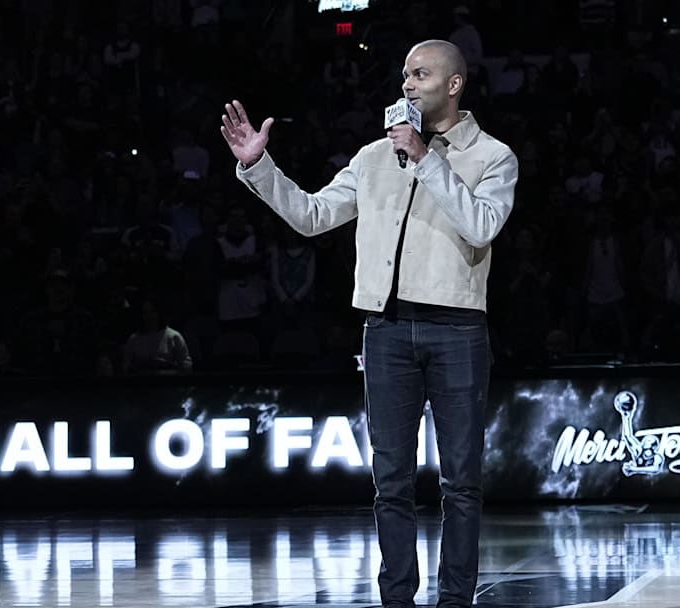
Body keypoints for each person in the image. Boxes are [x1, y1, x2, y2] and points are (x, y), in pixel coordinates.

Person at [220, 40, 518, 608]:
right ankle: (396, 598)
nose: (407, 84)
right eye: (404, 74)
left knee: (460, 480)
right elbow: (312, 216)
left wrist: (427, 160)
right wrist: (259, 166)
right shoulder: (374, 157)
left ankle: (456, 598)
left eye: (421, 74)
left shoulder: (492, 156)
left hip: (457, 330)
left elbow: (480, 227)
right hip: (384, 331)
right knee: (391, 482)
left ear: (453, 85)